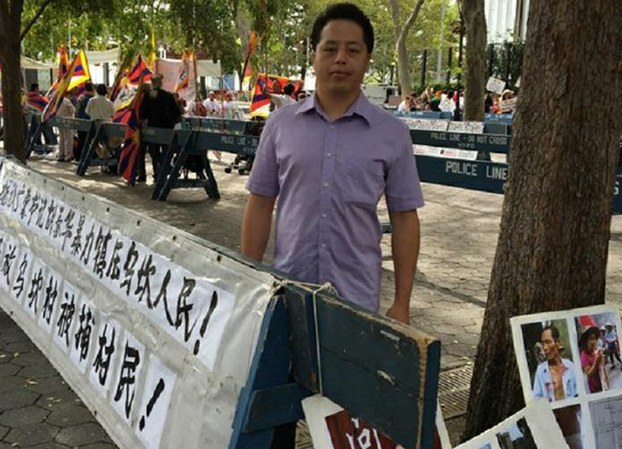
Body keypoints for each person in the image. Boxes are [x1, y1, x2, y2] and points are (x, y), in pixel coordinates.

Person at [241, 2, 423, 323]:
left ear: (367, 58)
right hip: (288, 289)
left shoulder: (392, 134)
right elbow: (260, 202)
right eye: (330, 48)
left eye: (352, 50)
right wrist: (247, 280)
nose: (340, 58)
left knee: (350, 373)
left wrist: (402, 303)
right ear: (314, 55)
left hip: (357, 297)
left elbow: (405, 218)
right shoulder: (280, 125)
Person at [139, 74, 182, 182]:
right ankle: (165, 170)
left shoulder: (148, 96)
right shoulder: (168, 96)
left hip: (153, 129)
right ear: (161, 83)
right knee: (167, 152)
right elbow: (177, 112)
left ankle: (157, 173)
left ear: (152, 83)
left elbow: (142, 114)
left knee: (154, 153)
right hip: (167, 129)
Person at [532, 325, 578, 401]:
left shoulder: (570, 366)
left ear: (557, 343)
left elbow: (579, 393)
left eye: (548, 342)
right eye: (543, 344)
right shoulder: (541, 370)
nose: (545, 348)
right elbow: (537, 399)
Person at [579, 326, 607, 393]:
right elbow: (589, 374)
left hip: (603, 384)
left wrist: (602, 360)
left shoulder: (596, 351)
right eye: (591, 339)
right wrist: (596, 362)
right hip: (595, 389)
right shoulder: (584, 355)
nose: (594, 341)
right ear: (586, 341)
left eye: (595, 339)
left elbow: (602, 368)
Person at [56, 95, 76, 162]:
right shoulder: (66, 101)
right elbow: (73, 110)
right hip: (67, 122)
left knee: (61, 138)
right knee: (68, 138)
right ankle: (68, 156)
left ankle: (61, 154)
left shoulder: (56, 100)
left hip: (59, 121)